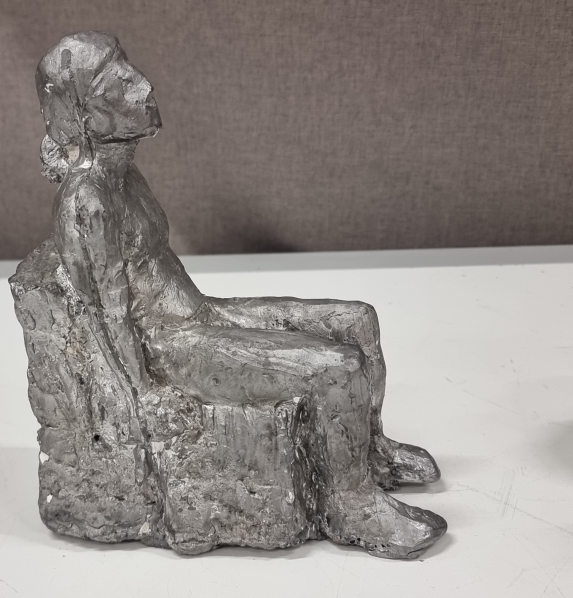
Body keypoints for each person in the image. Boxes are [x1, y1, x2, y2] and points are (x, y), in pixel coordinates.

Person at [36, 31, 446, 558]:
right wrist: (146, 395)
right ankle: (350, 504)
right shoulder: (88, 201)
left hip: (199, 314)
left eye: (128, 67)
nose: (141, 84)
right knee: (337, 368)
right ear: (89, 117)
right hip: (171, 347)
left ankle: (369, 451)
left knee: (356, 320)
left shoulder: (125, 177)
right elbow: (110, 316)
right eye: (116, 80)